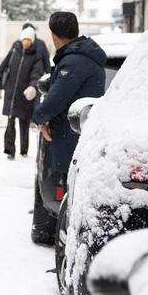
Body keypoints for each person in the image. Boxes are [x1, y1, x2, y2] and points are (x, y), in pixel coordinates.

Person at [32, 11, 107, 178]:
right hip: (77, 139)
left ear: (53, 36)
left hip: (73, 143)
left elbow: (55, 100)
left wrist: (38, 117)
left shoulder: (74, 62)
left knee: (69, 190)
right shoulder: (80, 57)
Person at [0, 27, 46, 159]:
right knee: (10, 123)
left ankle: (24, 149)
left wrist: (32, 87)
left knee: (24, 123)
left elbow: (36, 75)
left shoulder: (36, 56)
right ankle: (9, 150)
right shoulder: (13, 52)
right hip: (11, 94)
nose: (26, 42)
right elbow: (1, 69)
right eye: (24, 39)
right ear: (21, 40)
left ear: (32, 41)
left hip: (24, 95)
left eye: (29, 39)